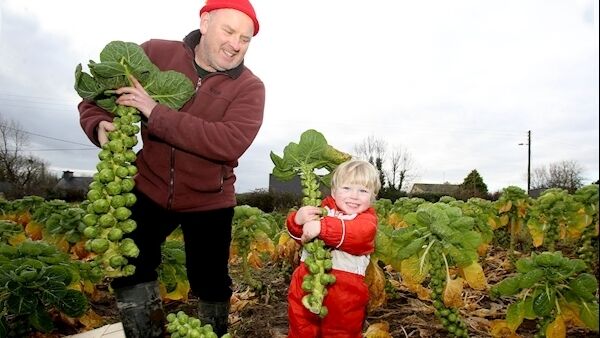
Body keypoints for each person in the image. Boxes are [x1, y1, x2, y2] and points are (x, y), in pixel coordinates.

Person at [78, 0, 264, 336]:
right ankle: (145, 332)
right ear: (205, 22)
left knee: (211, 282)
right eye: (229, 30)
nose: (236, 44)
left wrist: (155, 112)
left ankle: (213, 332)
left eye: (246, 38)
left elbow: (228, 141)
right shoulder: (155, 54)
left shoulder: (249, 88)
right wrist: (98, 123)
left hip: (209, 197)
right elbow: (96, 94)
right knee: (129, 265)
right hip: (148, 184)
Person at [285, 159, 381, 338]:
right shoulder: (323, 209)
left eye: (363, 190)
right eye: (347, 188)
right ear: (334, 191)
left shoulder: (367, 220)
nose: (354, 196)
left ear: (372, 196)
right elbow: (302, 237)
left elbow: (359, 235)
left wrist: (323, 228)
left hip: (345, 291)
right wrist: (297, 221)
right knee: (300, 328)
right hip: (306, 280)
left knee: (341, 332)